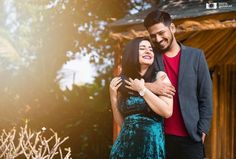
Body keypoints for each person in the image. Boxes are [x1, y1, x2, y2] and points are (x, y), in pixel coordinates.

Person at [142, 10, 213, 159]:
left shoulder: (196, 56)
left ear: (172, 28)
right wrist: (150, 87)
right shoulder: (150, 57)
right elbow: (127, 81)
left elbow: (206, 97)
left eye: (161, 33)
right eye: (153, 35)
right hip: (159, 138)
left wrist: (203, 130)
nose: (158, 39)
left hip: (191, 138)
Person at [109, 37, 173, 159]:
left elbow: (167, 111)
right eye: (142, 48)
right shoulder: (122, 83)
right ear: (132, 53)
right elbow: (122, 123)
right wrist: (113, 96)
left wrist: (142, 90)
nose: (148, 51)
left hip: (151, 146)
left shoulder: (160, 77)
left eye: (150, 49)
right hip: (124, 148)